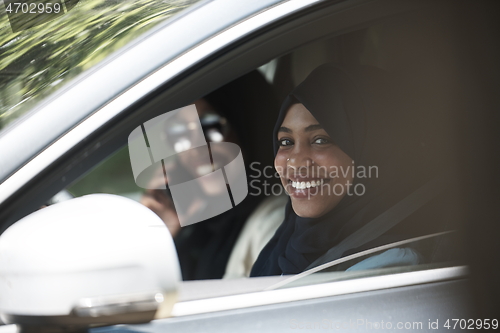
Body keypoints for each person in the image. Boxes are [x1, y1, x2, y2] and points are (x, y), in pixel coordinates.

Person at [250, 64, 456, 277]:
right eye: (286, 141)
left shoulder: (387, 265)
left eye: (321, 140)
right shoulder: (290, 241)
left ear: (374, 152)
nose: (295, 162)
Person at [141, 70, 280, 280]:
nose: (196, 148)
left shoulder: (274, 222)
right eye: (179, 132)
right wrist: (162, 238)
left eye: (211, 125)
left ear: (251, 125)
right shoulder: (202, 222)